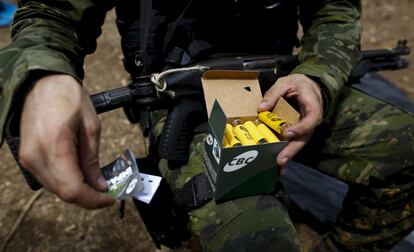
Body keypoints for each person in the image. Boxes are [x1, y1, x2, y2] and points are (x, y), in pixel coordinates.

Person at [0, 0, 413, 251]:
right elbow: (51, 15)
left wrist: (319, 77)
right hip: (180, 99)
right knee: (254, 237)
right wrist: (41, 75)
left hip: (279, 86)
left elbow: (334, 9)